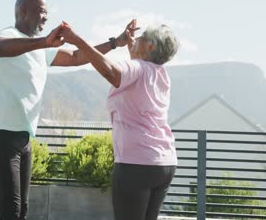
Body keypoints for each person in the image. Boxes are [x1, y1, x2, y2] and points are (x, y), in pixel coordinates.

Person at [0, 0, 130, 220]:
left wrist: (115, 43)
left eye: (47, 13)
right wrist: (44, 41)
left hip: (23, 135)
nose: (45, 18)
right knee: (10, 210)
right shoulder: (9, 34)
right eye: (41, 12)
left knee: (22, 210)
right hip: (0, 133)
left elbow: (77, 56)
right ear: (23, 12)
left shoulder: (41, 49)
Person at [59, 19, 179, 220]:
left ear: (151, 46)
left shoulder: (139, 69)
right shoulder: (160, 74)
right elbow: (136, 71)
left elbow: (111, 72)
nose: (138, 39)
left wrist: (77, 40)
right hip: (164, 164)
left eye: (143, 38)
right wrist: (133, 49)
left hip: (137, 164)